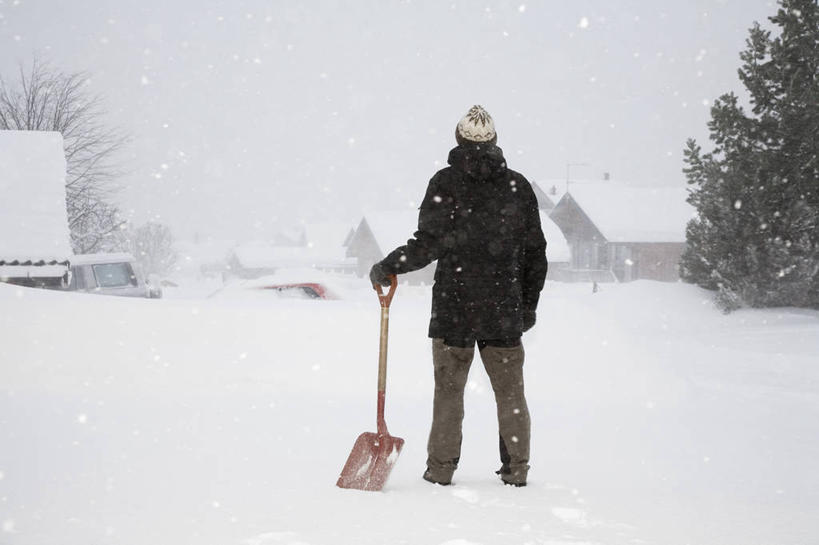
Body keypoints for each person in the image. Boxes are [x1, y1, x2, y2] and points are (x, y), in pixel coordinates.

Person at [369, 105, 548, 487]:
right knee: (511, 395)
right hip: (503, 309)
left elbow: (427, 243)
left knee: (449, 394)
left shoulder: (445, 183)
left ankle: (440, 470)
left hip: (455, 308)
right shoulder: (517, 186)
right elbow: (536, 253)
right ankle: (517, 470)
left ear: (457, 139)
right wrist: (526, 306)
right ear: (495, 141)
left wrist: (389, 265)